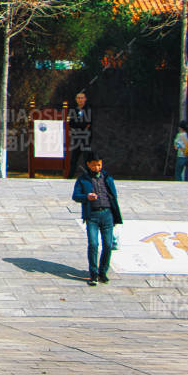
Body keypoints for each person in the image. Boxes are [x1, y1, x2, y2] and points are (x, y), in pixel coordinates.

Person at [71, 152, 122, 286]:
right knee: (93, 244)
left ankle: (102, 272)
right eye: (94, 165)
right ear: (88, 165)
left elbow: (113, 196)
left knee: (108, 245)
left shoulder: (107, 178)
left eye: (99, 165)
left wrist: (115, 215)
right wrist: (87, 197)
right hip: (92, 215)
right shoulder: (83, 179)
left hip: (107, 215)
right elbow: (75, 196)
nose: (97, 167)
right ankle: (93, 274)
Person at [65, 91, 93, 178]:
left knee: (86, 158)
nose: (80, 100)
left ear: (85, 99)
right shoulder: (73, 110)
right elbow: (71, 123)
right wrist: (79, 126)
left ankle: (89, 176)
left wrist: (80, 126)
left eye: (82, 98)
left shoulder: (88, 109)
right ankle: (70, 176)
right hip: (76, 137)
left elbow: (88, 123)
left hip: (85, 137)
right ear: (76, 99)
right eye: (78, 98)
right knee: (74, 158)